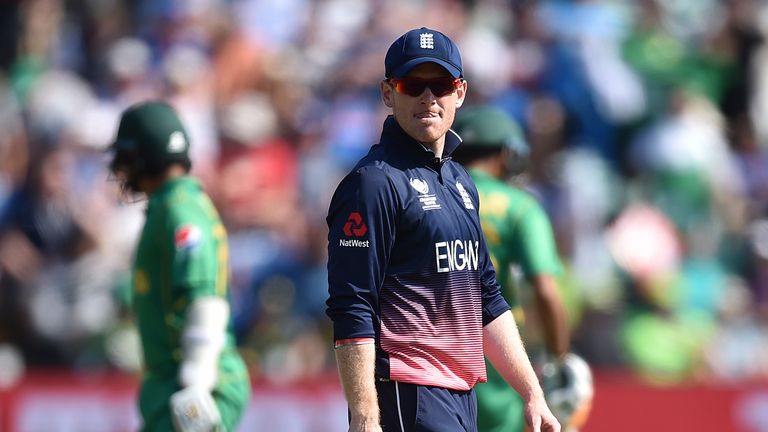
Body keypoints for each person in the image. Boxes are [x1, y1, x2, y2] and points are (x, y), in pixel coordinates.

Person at [325, 27, 560, 432]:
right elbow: (353, 305)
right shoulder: (374, 183)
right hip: (405, 390)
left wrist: (532, 392)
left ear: (461, 92)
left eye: (440, 84)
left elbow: (487, 295)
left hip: (460, 394)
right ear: (387, 93)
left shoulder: (460, 181)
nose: (428, 97)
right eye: (412, 84)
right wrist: (364, 416)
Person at [107, 101, 250, 432]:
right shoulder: (170, 206)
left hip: (195, 380)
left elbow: (205, 301)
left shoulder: (178, 211)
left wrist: (196, 381)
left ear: (145, 155)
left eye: (126, 157)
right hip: (173, 383)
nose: (120, 168)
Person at [451, 106, 573, 432]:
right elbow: (545, 289)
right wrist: (559, 361)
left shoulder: (432, 197)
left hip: (434, 347)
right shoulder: (520, 207)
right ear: (507, 153)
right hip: (497, 350)